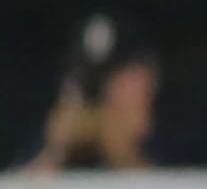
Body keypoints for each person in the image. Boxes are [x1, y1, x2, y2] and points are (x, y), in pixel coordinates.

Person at [18, 15, 155, 172]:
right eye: (94, 82)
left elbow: (173, 187)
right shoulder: (46, 127)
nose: (104, 98)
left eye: (115, 79)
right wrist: (56, 152)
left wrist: (123, 156)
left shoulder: (169, 132)